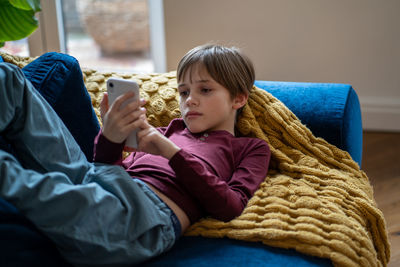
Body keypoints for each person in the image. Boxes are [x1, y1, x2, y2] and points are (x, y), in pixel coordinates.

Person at [0, 44, 271, 266]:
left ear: (238, 99)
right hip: (97, 179)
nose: (190, 100)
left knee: (17, 180)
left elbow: (231, 205)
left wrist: (168, 150)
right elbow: (106, 166)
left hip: (144, 215)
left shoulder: (250, 148)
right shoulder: (168, 130)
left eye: (205, 90)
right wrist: (110, 136)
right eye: (184, 92)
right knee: (10, 78)